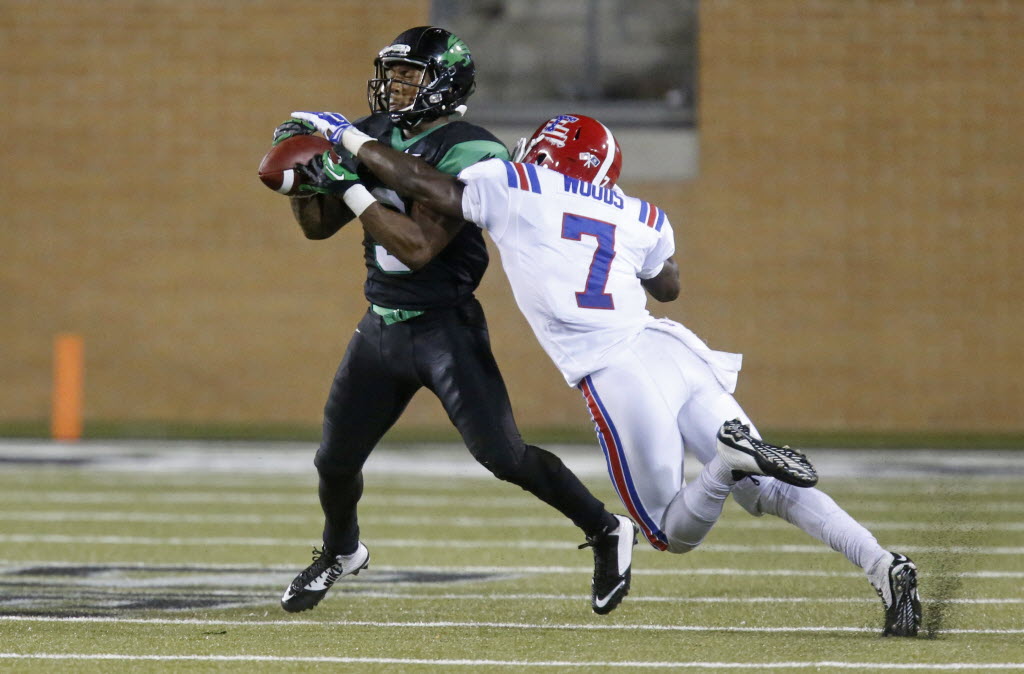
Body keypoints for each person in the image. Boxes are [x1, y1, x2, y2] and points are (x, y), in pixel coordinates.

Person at [288, 109, 924, 637]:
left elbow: (429, 189)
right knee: (773, 493)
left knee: (670, 532)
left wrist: (345, 141)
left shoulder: (517, 186)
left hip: (616, 372)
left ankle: (728, 464)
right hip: (672, 350)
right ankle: (884, 565)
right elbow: (667, 285)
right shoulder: (641, 213)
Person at [273, 28, 636, 617]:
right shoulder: (374, 134)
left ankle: (605, 528)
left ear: (444, 83)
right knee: (334, 461)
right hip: (382, 323)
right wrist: (300, 177)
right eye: (392, 74)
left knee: (505, 457)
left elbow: (418, 247)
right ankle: (342, 550)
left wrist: (348, 181)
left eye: (410, 75)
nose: (395, 86)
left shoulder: (475, 151)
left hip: (446, 328)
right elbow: (318, 227)